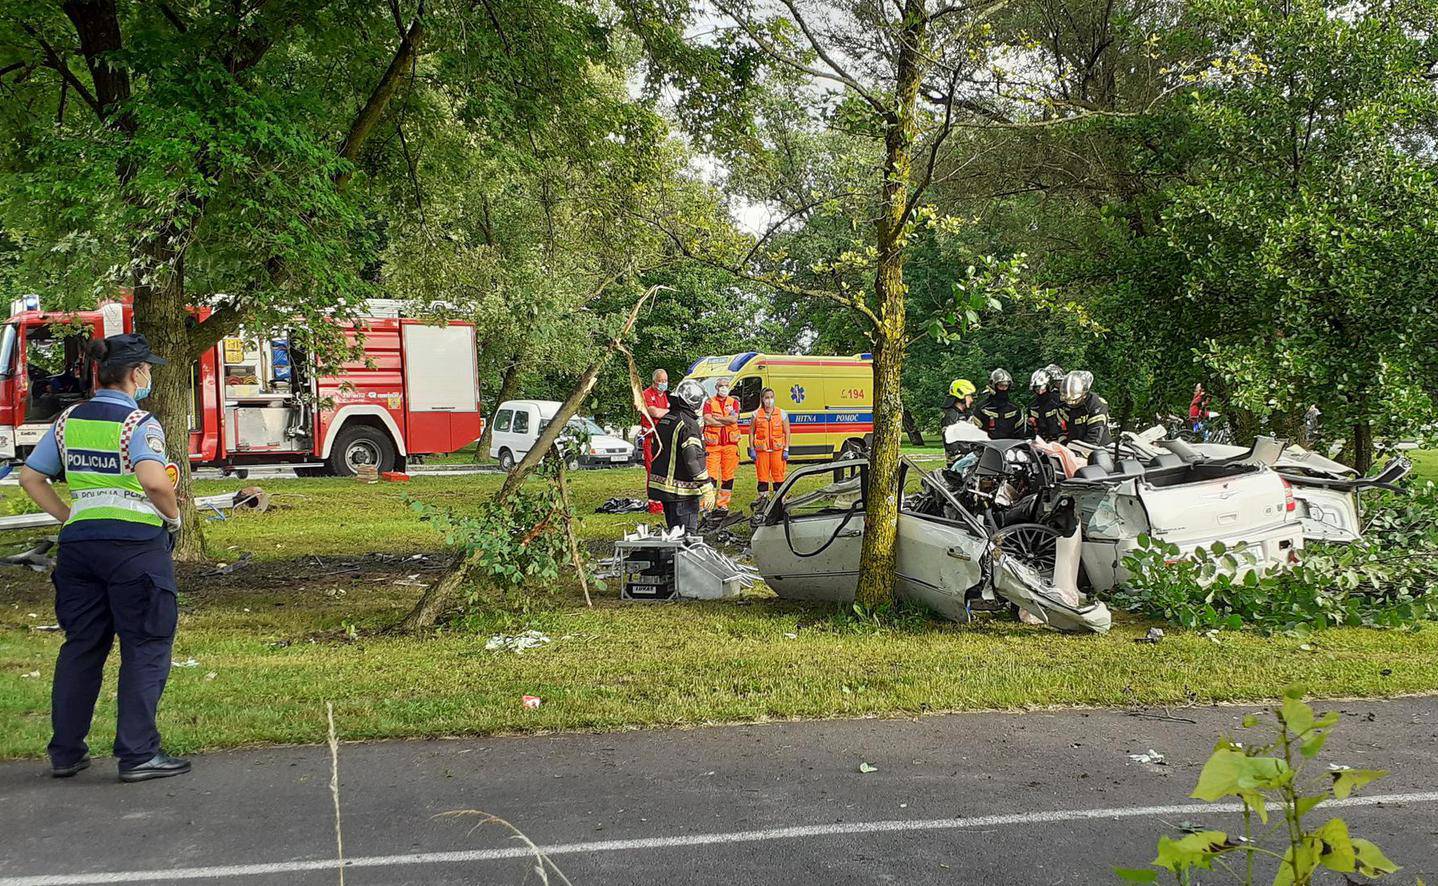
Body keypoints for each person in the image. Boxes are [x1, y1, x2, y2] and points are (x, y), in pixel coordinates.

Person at [18, 333, 190, 783]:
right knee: (146, 645)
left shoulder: (66, 420)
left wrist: (70, 514)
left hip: (80, 546)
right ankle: (138, 755)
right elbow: (154, 482)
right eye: (148, 369)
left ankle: (66, 753)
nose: (150, 375)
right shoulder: (140, 423)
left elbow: (31, 477)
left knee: (82, 647)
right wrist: (173, 518)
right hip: (134, 547)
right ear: (136, 374)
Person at [647, 378, 710, 533]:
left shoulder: (667, 419)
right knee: (687, 541)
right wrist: (706, 485)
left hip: (665, 491)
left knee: (674, 538)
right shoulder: (688, 424)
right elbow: (692, 458)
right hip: (683, 493)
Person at [701, 376, 741, 513]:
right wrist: (725, 421)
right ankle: (707, 503)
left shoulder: (734, 402)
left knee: (728, 477)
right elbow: (707, 420)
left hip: (730, 445)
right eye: (721, 386)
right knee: (710, 476)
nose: (724, 388)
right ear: (717, 388)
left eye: (726, 385)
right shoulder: (709, 402)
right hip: (713, 445)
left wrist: (718, 419)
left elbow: (734, 419)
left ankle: (723, 503)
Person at [638, 369, 671, 516]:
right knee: (652, 472)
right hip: (651, 438)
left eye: (665, 381)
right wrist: (668, 411)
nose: (663, 384)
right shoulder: (646, 394)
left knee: (664, 471)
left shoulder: (665, 396)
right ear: (654, 381)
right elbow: (655, 412)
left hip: (663, 438)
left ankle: (663, 502)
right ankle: (654, 505)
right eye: (661, 381)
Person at [749, 387, 791, 496]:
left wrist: (786, 449)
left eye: (771, 397)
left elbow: (787, 432)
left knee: (778, 477)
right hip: (762, 452)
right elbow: (751, 432)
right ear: (762, 399)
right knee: (762, 478)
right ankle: (763, 503)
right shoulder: (756, 415)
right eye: (767, 397)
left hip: (778, 451)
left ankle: (779, 502)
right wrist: (752, 449)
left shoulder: (782, 414)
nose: (769, 400)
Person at [1059, 369, 1112, 446]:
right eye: (1067, 400)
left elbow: (1094, 437)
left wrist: (1079, 454)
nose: (1070, 403)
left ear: (1084, 394)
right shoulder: (1063, 405)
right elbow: (1062, 429)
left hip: (1099, 450)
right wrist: (1063, 447)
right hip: (1073, 447)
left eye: (1074, 400)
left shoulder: (1096, 405)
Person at [972, 368, 1026, 439]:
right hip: (988, 446)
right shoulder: (982, 408)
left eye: (1006, 386)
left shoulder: (1014, 408)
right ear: (994, 386)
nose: (1004, 389)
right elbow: (976, 431)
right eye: (1001, 386)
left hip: (1009, 447)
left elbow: (1019, 433)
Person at [1028, 367, 1066, 441]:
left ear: (1048, 386)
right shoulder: (1033, 406)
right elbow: (1030, 431)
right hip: (1041, 442)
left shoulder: (1059, 401)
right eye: (1036, 388)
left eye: (1042, 387)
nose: (1039, 391)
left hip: (1060, 441)